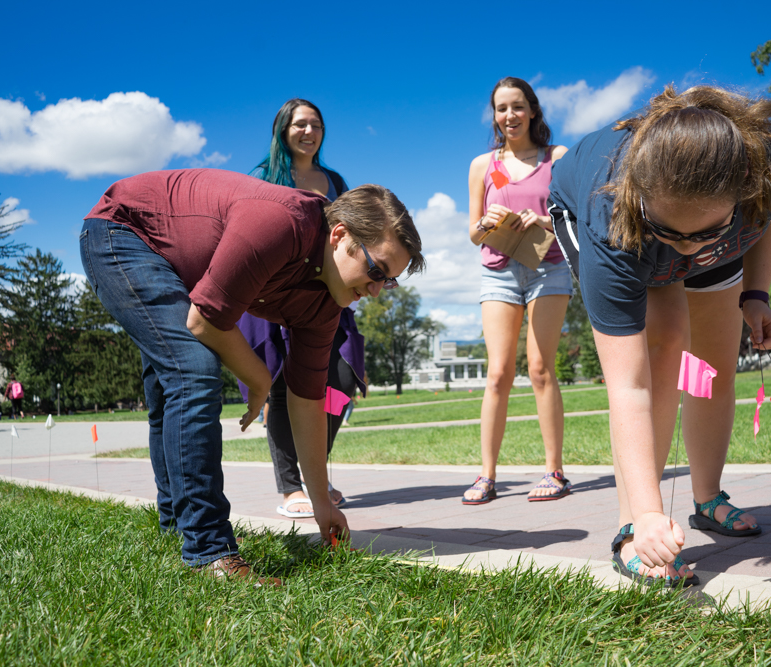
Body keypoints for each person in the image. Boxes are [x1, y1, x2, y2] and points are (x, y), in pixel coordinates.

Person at [80, 168, 424, 582]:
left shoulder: (327, 305)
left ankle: (176, 525)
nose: (375, 291)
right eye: (376, 270)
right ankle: (208, 551)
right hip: (123, 231)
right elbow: (204, 322)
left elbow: (307, 399)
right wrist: (260, 379)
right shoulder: (281, 223)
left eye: (388, 282)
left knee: (167, 387)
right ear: (340, 237)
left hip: (178, 263)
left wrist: (321, 502)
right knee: (192, 372)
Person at [547, 85, 771, 586]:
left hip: (707, 236)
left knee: (713, 366)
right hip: (628, 237)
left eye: (700, 233)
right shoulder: (609, 220)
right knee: (664, 349)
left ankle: (707, 497)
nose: (685, 249)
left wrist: (756, 294)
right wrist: (647, 516)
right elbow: (628, 388)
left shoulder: (767, 160)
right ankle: (634, 527)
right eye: (674, 232)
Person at [239, 98, 368, 519]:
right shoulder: (263, 176)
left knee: (339, 382)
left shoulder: (333, 180)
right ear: (282, 130)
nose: (308, 131)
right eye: (299, 124)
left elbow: (352, 237)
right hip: (274, 295)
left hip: (327, 296)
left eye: (315, 124)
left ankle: (316, 471)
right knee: (281, 385)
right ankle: (292, 486)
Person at [462, 77, 572, 506]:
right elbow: (473, 233)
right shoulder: (481, 165)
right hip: (499, 273)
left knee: (541, 369)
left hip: (548, 270)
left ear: (533, 111)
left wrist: (543, 221)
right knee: (498, 374)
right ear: (495, 115)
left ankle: (555, 471)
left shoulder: (556, 158)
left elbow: (571, 216)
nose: (510, 116)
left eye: (518, 107)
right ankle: (486, 475)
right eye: (502, 108)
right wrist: (490, 222)